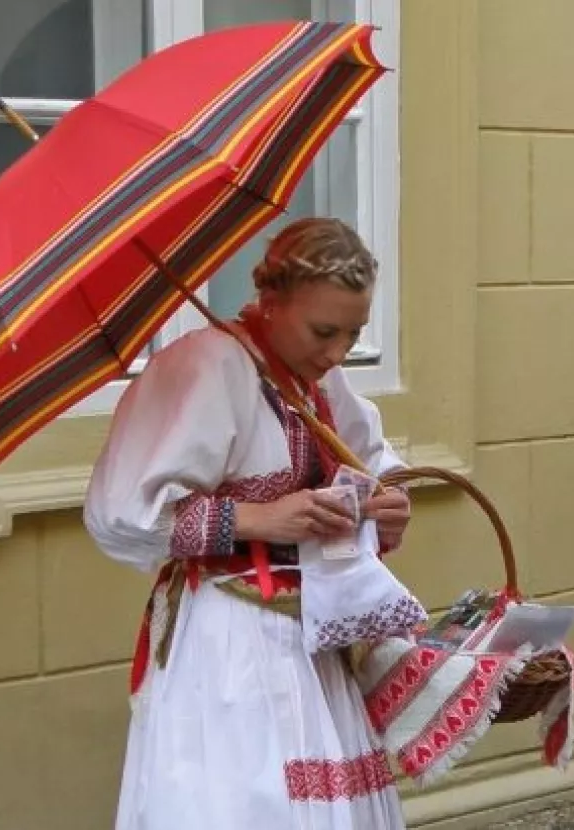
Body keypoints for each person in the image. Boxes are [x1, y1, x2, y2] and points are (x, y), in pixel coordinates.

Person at [84, 218, 413, 830]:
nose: (338, 351)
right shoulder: (203, 366)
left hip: (314, 634)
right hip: (230, 638)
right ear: (272, 300)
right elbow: (123, 515)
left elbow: (369, 457)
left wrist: (387, 498)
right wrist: (258, 516)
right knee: (248, 799)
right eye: (324, 330)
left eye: (354, 332)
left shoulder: (315, 379)